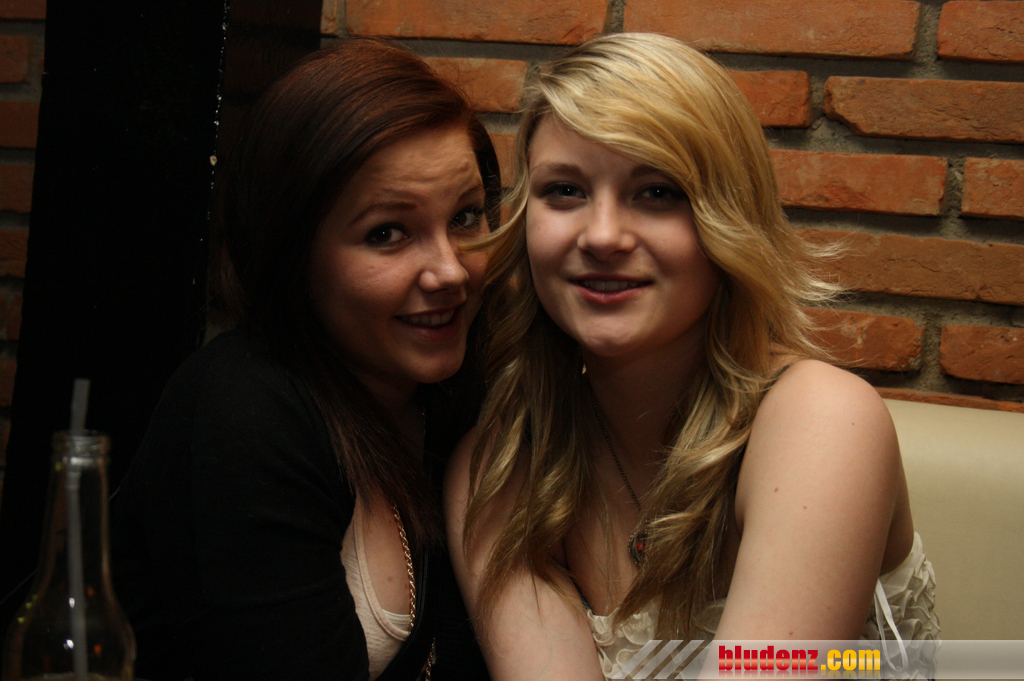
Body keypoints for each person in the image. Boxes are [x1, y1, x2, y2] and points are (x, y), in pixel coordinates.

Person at [444, 33, 939, 680]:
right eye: (564, 190)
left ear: (727, 218)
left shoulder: (820, 421)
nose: (602, 236)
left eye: (657, 193)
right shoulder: (500, 464)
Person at [111, 38, 498, 680]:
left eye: (465, 218)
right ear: (292, 252)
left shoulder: (457, 396)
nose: (450, 272)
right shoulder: (246, 410)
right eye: (387, 233)